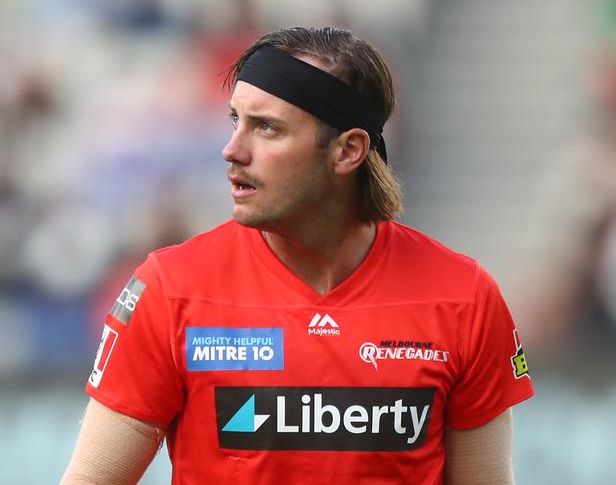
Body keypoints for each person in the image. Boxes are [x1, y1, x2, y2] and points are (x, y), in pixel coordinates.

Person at [61, 27, 533, 485]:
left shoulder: (464, 299)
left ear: (348, 151)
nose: (231, 150)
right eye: (235, 121)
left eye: (267, 128)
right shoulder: (168, 289)